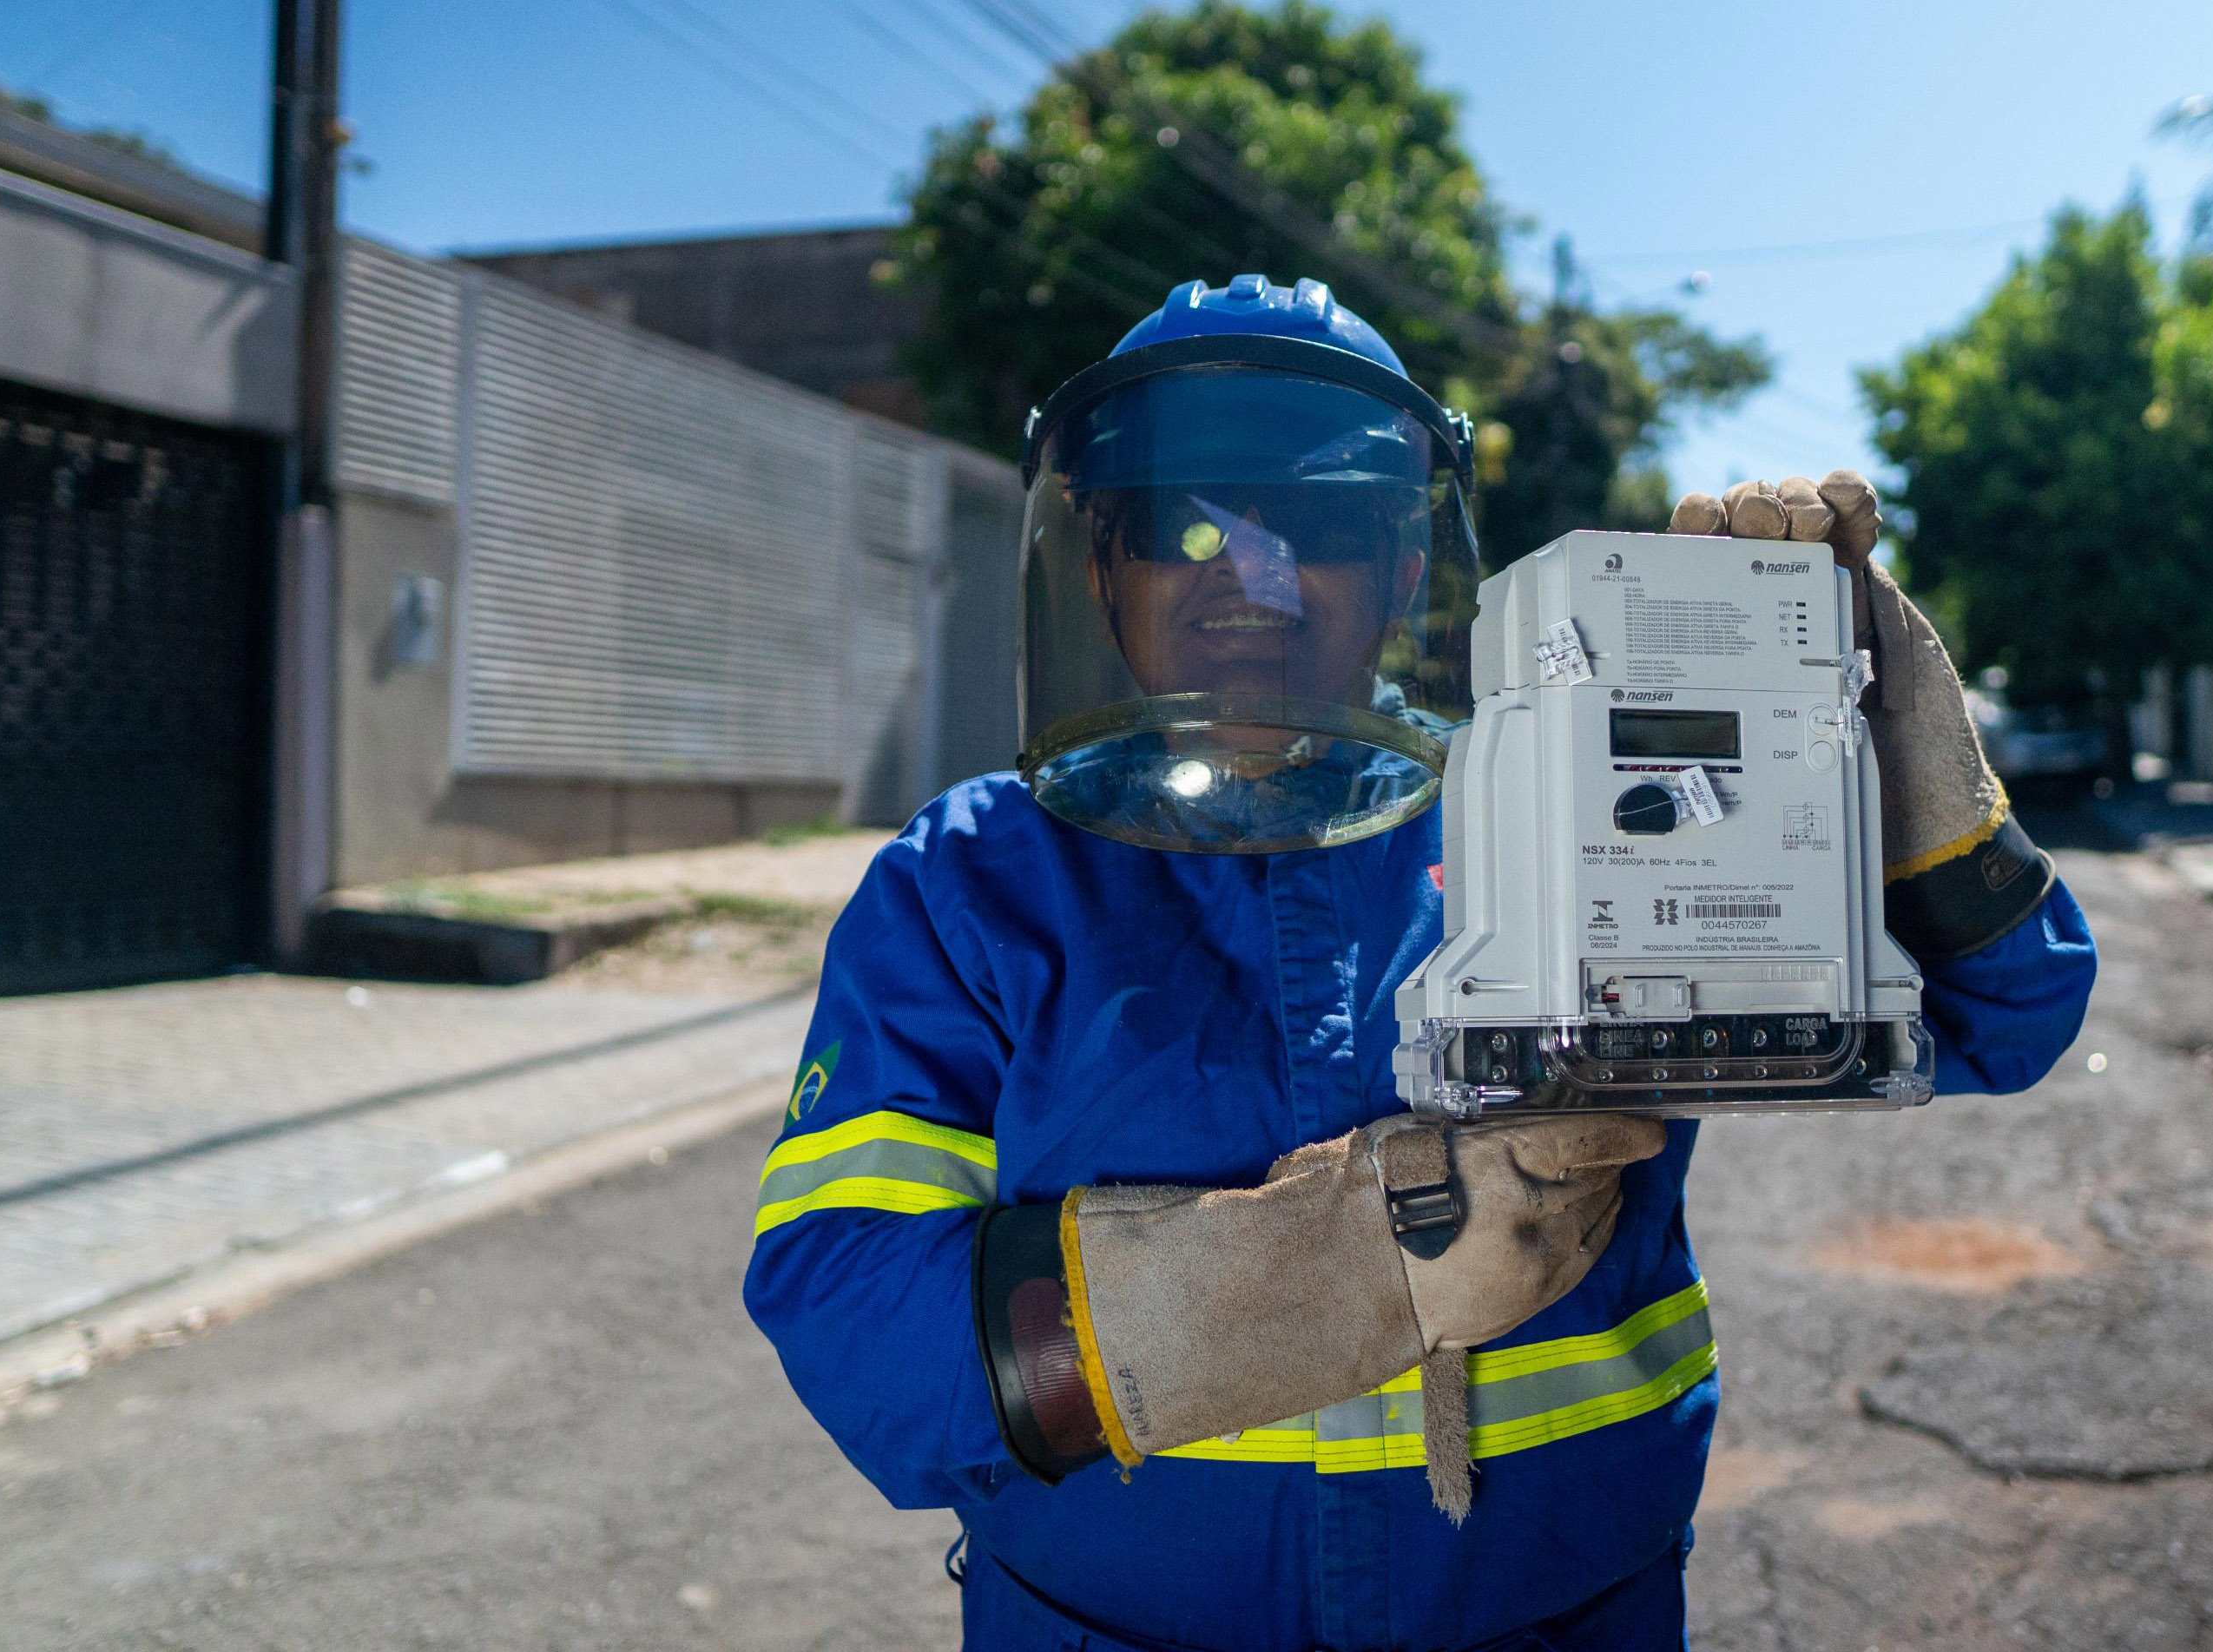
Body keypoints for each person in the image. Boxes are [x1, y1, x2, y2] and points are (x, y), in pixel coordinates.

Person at [745, 276, 2097, 1651]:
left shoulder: (1564, 787)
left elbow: (2002, 1019)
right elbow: (857, 1326)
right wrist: (1328, 1272)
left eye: (1321, 522)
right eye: (1179, 521)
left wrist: (1875, 755)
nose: (1246, 568)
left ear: (1402, 565)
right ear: (1097, 564)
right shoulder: (971, 880)